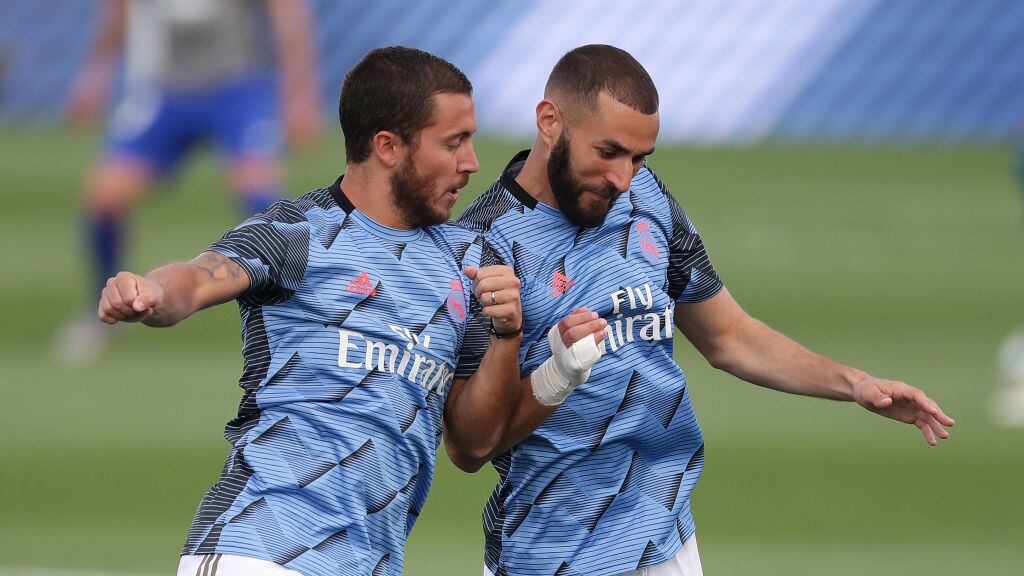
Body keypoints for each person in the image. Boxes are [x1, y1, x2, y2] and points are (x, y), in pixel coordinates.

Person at [97, 46, 605, 576]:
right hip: (260, 547)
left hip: (367, 563)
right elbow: (200, 277)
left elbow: (474, 444)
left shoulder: (470, 263)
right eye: (454, 142)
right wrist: (152, 293)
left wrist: (509, 334)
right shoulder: (299, 234)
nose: (472, 163)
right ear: (388, 146)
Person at [455, 44, 956, 576]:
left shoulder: (646, 197)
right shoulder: (481, 244)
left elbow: (729, 336)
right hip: (548, 555)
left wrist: (855, 384)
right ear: (549, 121)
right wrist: (554, 373)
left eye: (638, 158)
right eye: (608, 151)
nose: (622, 178)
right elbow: (469, 447)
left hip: (666, 542)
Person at [60, 0, 323, 363]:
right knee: (104, 197)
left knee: (260, 198)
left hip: (236, 87)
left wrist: (299, 92)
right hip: (166, 92)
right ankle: (104, 312)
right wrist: (96, 73)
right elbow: (117, 11)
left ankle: (299, 309)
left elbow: (286, 13)